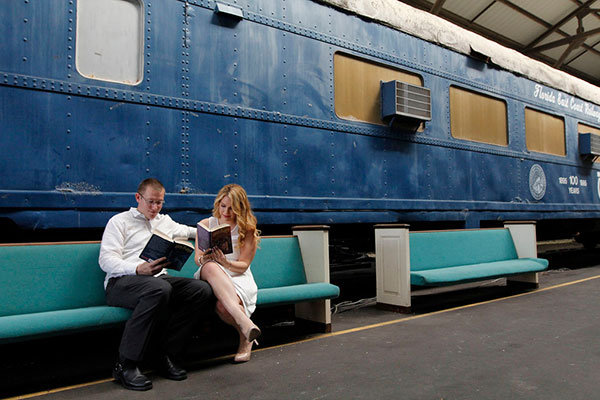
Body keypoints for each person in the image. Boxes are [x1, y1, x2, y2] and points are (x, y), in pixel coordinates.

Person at [99, 178, 214, 391]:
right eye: (151, 202)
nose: (154, 208)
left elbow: (191, 231)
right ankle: (125, 364)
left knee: (200, 290)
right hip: (121, 282)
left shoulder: (164, 221)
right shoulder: (119, 221)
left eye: (159, 203)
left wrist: (213, 225)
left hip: (156, 280)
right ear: (138, 198)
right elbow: (105, 261)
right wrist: (136, 269)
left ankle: (166, 354)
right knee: (160, 289)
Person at [194, 184, 261, 363]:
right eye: (223, 206)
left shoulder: (247, 229)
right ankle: (245, 325)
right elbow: (198, 259)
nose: (226, 211)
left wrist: (226, 262)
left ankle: (245, 336)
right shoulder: (206, 225)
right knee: (209, 266)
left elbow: (244, 266)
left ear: (240, 208)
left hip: (237, 275)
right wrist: (205, 258)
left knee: (222, 307)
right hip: (212, 274)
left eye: (232, 208)